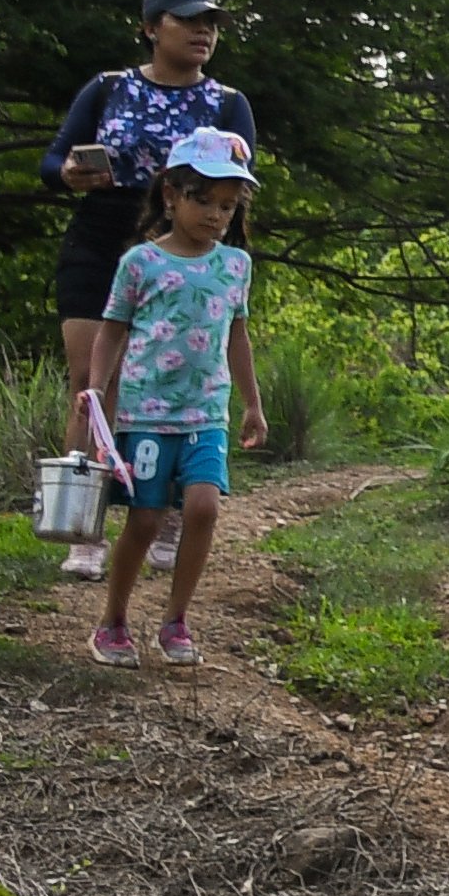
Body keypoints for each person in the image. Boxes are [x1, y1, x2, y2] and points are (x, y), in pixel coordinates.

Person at [37, 0, 257, 576]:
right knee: (90, 380)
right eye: (189, 20)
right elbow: (52, 161)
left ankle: (170, 510)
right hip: (102, 233)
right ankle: (82, 524)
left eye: (211, 22)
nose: (203, 32)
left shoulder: (228, 103)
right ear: (152, 27)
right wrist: (71, 173)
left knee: (180, 371)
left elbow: (238, 186)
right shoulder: (108, 88)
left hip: (185, 242)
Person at [88, 130, 261, 666]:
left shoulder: (235, 265)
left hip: (206, 412)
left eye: (227, 206)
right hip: (146, 412)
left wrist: (252, 403)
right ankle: (113, 621)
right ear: (170, 196)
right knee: (144, 519)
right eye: (203, 200)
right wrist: (95, 387)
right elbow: (112, 329)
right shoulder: (141, 263)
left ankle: (175, 620)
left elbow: (237, 336)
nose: (215, 215)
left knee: (203, 508)